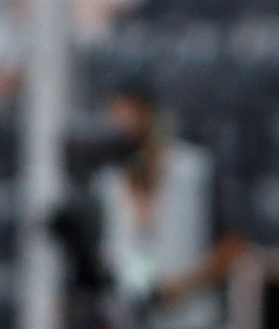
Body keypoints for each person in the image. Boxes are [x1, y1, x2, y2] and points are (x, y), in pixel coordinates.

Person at [93, 82, 247, 329]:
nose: (122, 128)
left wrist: (181, 286)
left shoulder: (195, 170)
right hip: (129, 318)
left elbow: (233, 245)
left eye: (129, 118)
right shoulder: (108, 183)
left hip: (194, 318)